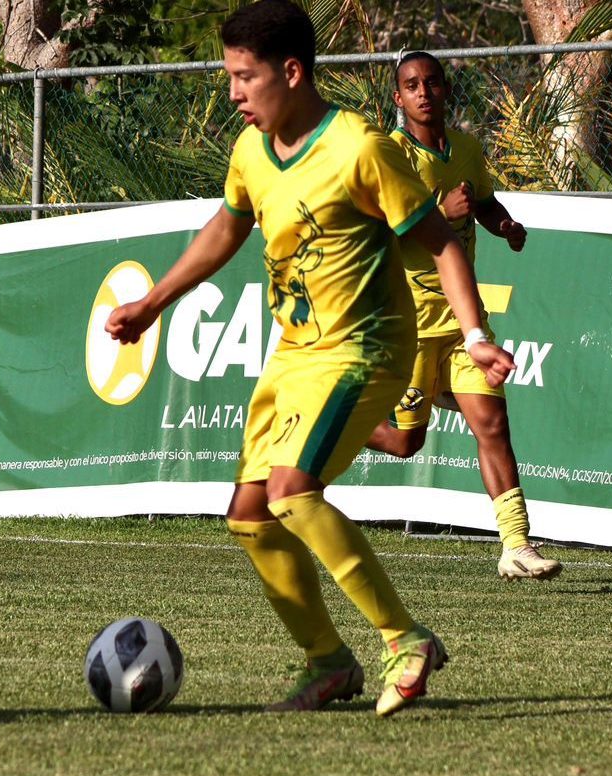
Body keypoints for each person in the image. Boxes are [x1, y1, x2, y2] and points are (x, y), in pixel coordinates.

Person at [105, 1, 515, 716]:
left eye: (244, 77)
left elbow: (442, 244)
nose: (232, 92)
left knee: (292, 491)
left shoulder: (360, 148)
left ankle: (405, 640)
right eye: (228, 76)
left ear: (291, 72)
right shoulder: (250, 151)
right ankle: (328, 662)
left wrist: (476, 335)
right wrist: (154, 303)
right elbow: (227, 227)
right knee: (250, 516)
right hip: (294, 355)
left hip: (368, 350)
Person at [363, 51, 562, 582]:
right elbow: (377, 230)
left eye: (431, 82)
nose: (423, 92)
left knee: (493, 423)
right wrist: (437, 213)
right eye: (411, 85)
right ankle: (338, 423)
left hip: (462, 324)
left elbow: (483, 203)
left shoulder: (467, 149)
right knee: (406, 443)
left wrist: (505, 225)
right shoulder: (390, 153)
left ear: (446, 90)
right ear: (398, 97)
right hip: (409, 325)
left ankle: (516, 545)